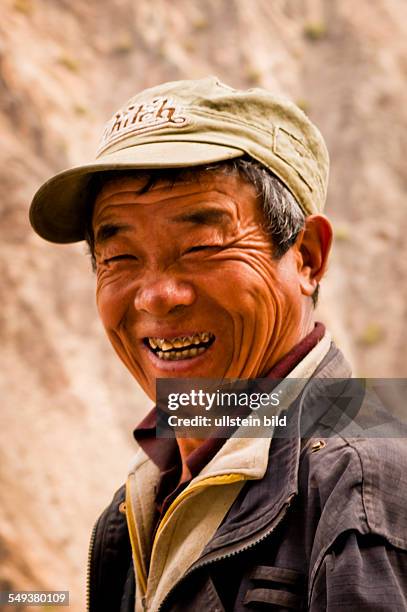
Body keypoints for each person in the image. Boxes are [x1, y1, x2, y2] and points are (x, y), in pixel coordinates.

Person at [30, 77, 407, 611]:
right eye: (120, 257)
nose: (158, 296)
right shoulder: (142, 505)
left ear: (306, 256)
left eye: (202, 246)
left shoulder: (364, 482)